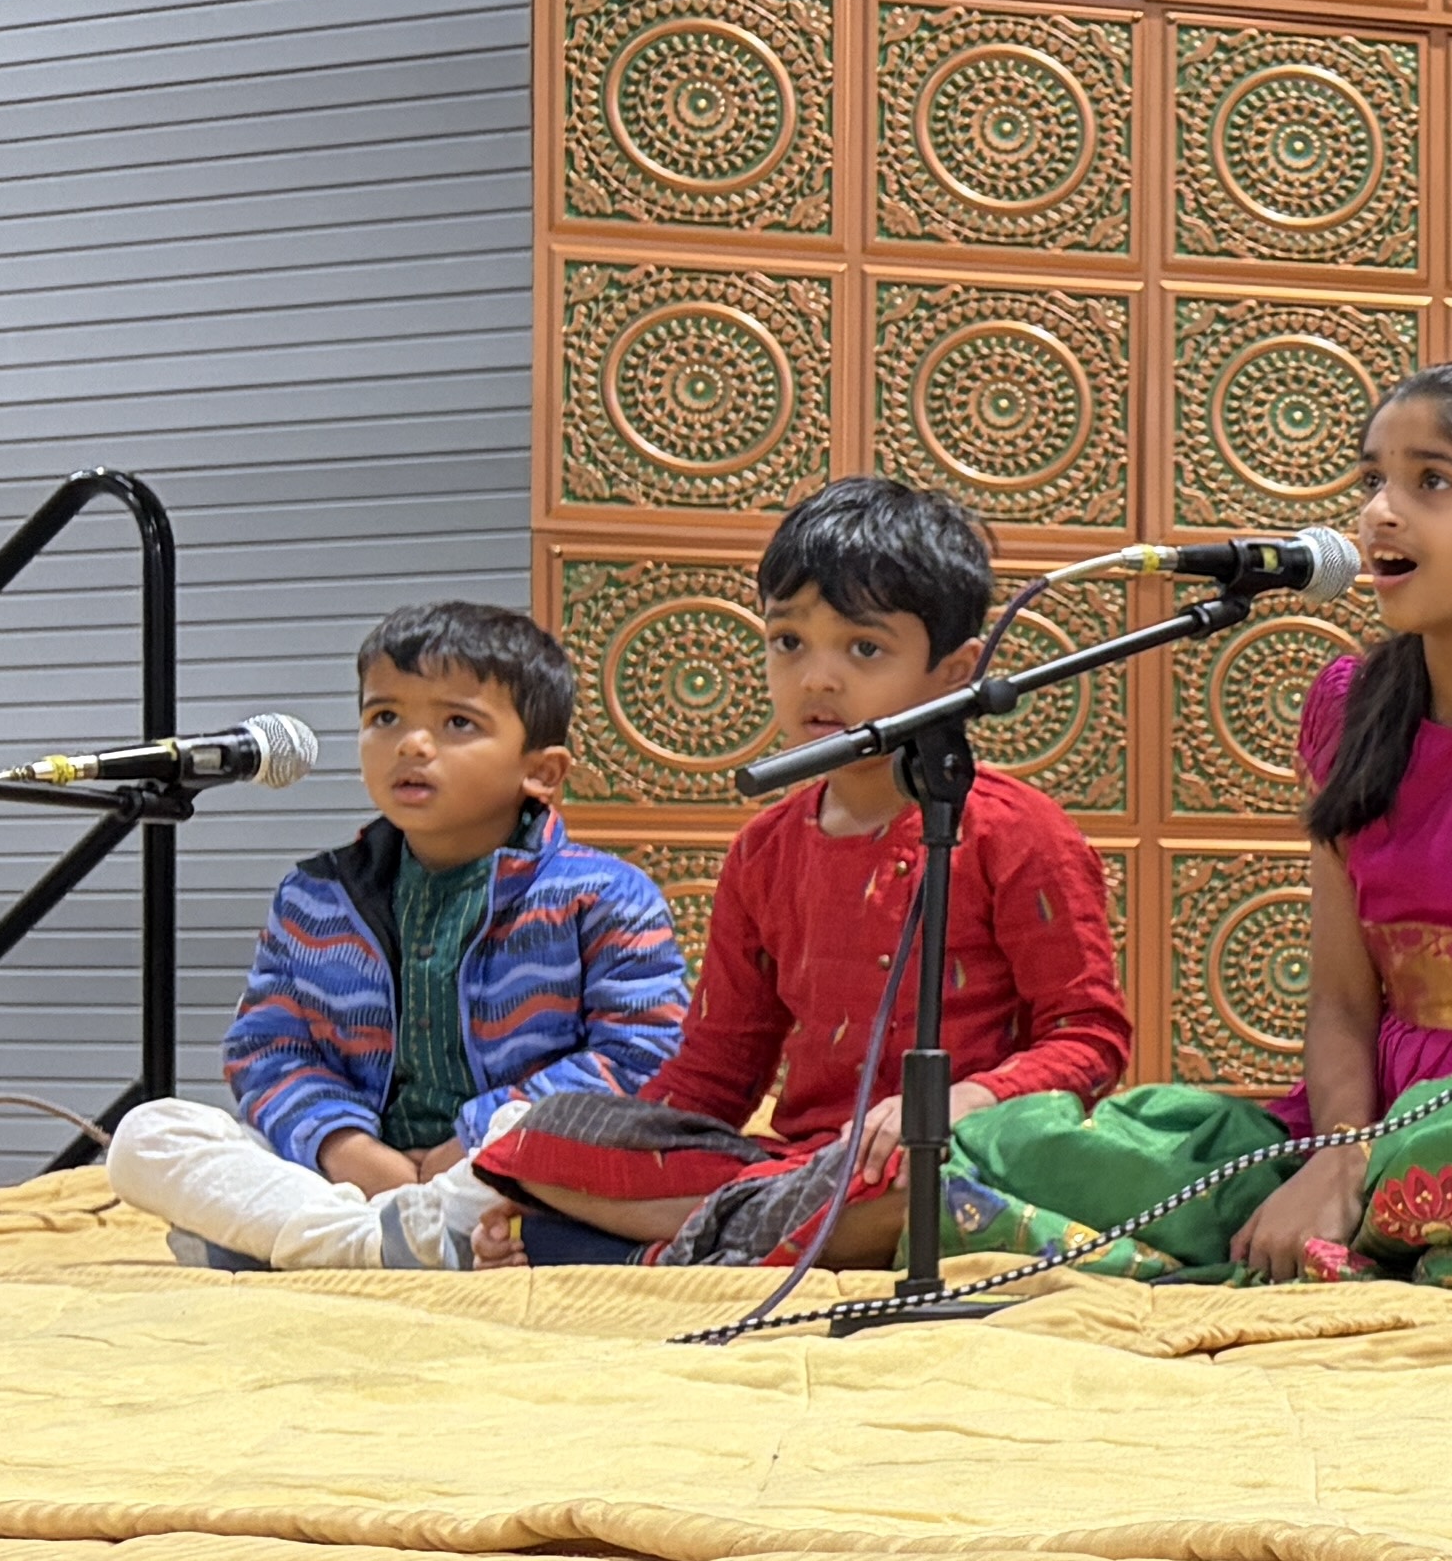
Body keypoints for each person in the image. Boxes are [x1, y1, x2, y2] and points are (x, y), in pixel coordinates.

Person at [952, 363, 1452, 1290]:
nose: (1379, 511)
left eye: (1431, 481)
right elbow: (1339, 996)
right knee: (1027, 1143)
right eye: (1373, 478)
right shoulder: (1346, 709)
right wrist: (1340, 1151)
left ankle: (1351, 1224)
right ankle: (1347, 1221)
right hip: (1354, 1117)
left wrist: (1376, 1159)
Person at [472, 477, 1129, 1265]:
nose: (818, 677)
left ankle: (630, 1245)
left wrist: (962, 1101)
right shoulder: (764, 850)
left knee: (915, 1180)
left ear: (954, 671)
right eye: (789, 641)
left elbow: (1090, 1037)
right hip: (800, 1164)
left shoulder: (1018, 830)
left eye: (864, 648)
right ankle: (703, 1235)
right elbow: (714, 1074)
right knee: (536, 1137)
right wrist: (574, 1171)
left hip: (952, 1152)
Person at [104, 603, 686, 1270]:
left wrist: (470, 1137)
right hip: (356, 1175)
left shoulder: (607, 894)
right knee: (150, 1134)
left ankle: (319, 1240)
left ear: (542, 772)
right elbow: (267, 1050)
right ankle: (384, 1241)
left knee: (551, 1134)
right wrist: (344, 1144)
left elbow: (644, 1052)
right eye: (385, 716)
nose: (411, 743)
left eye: (456, 722)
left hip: (499, 1169)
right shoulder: (314, 894)